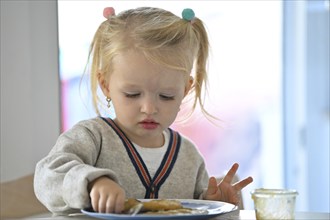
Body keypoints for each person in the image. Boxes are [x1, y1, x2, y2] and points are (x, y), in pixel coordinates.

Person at [34, 6, 253, 215]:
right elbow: (47, 176)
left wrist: (214, 203)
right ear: (106, 85)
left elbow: (196, 209)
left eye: (166, 96)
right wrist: (92, 183)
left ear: (185, 90)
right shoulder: (92, 137)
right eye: (132, 94)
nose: (149, 108)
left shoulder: (188, 156)